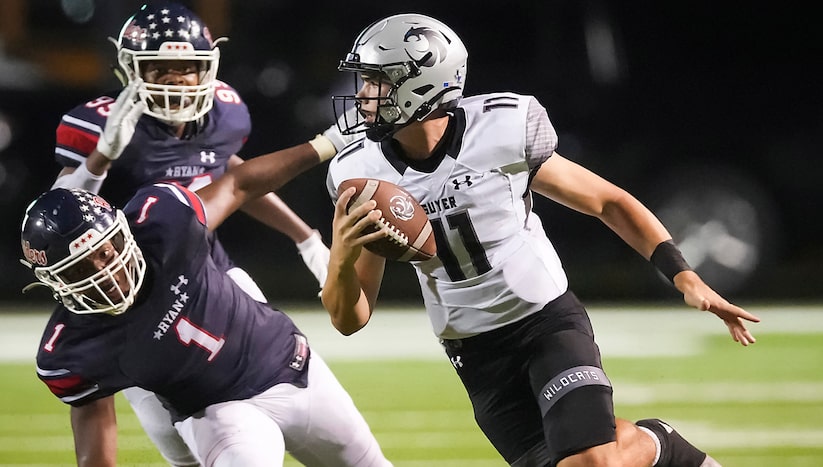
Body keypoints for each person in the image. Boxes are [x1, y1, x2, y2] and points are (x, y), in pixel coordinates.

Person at [322, 13, 760, 467]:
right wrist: (343, 257)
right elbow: (350, 319)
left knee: (589, 462)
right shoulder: (362, 176)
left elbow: (607, 202)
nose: (363, 94)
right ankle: (654, 443)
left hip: (546, 321)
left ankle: (659, 446)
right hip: (475, 353)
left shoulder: (501, 131)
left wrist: (683, 274)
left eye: (377, 80)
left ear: (422, 83)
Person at [48, 3, 354, 464]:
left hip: (207, 272)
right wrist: (101, 159)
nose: (175, 79)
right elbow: (62, 209)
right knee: (180, 445)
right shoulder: (95, 124)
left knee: (272, 361)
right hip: (129, 301)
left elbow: (232, 179)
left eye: (188, 68)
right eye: (159, 68)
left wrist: (305, 236)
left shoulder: (225, 114)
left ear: (208, 67)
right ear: (129, 67)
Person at [20, 135, 391, 466]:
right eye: (80, 268)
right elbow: (97, 452)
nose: (106, 270)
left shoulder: (162, 225)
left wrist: (326, 143)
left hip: (291, 364)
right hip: (218, 414)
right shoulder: (72, 348)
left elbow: (239, 184)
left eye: (106, 251)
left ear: (124, 231)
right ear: (54, 281)